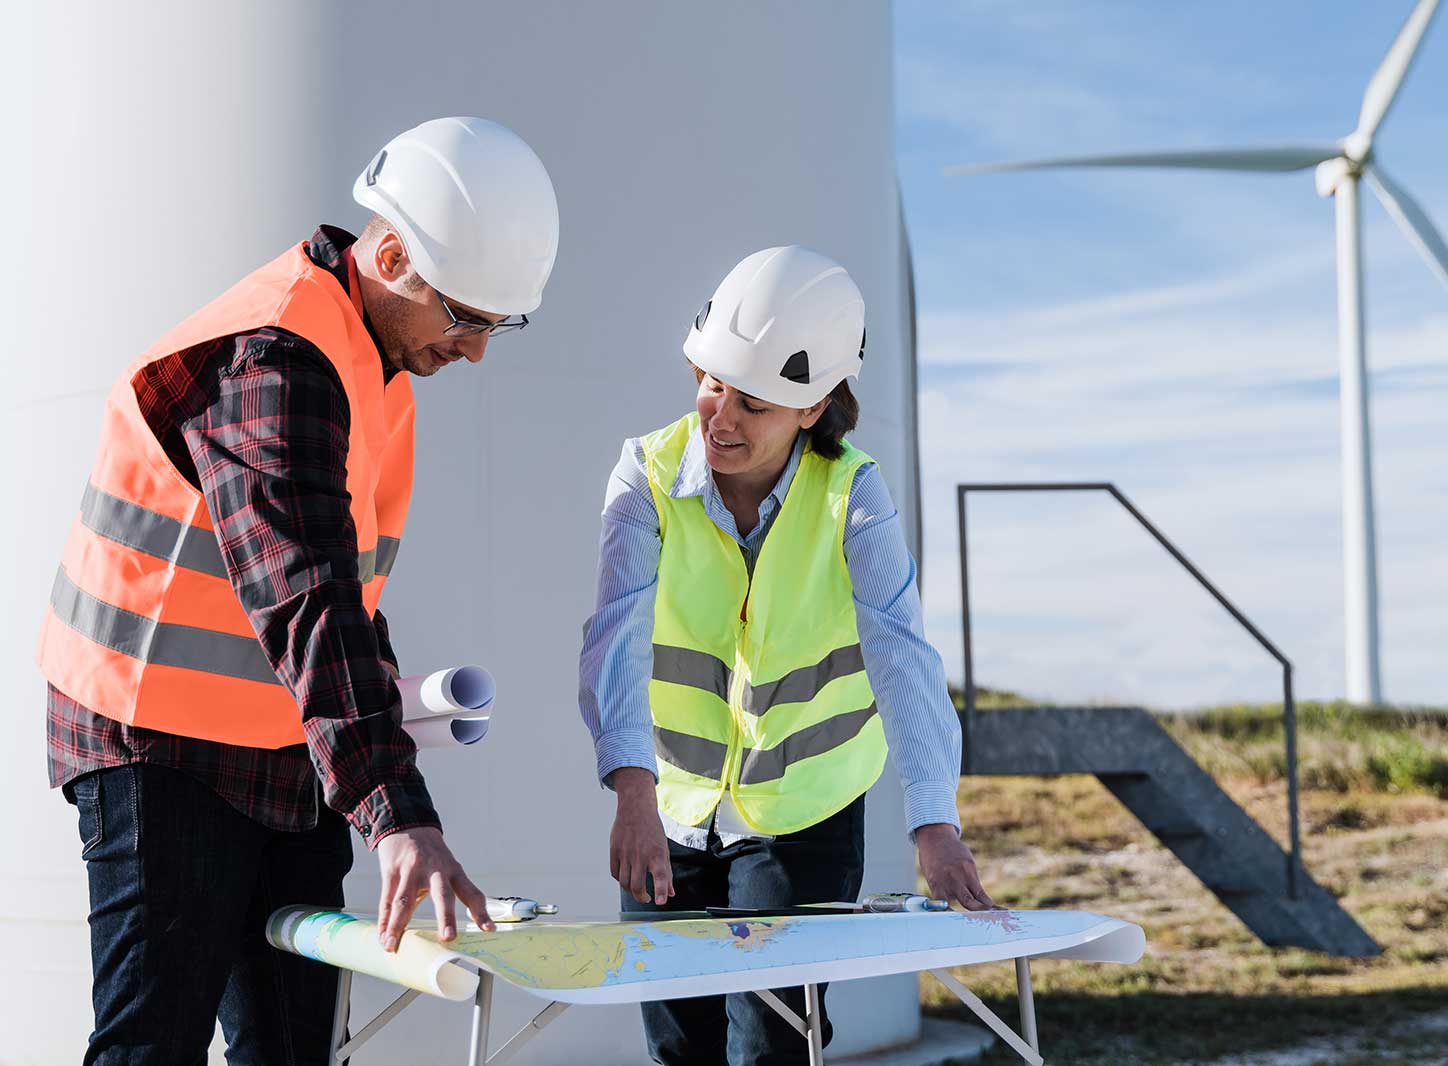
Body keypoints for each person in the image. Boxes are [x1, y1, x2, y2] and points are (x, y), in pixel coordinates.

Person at [38, 116, 559, 1064]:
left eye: (498, 324)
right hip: (155, 742)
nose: (479, 351)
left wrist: (383, 744)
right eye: (469, 318)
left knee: (291, 1046)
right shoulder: (275, 359)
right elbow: (305, 592)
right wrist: (395, 811)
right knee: (152, 1046)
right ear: (392, 254)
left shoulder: (373, 367)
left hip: (279, 748)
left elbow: (346, 594)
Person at [578, 245, 995, 1065]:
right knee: (675, 1046)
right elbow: (614, 635)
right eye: (711, 384)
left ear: (810, 409)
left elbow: (902, 656)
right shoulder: (646, 476)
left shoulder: (854, 495)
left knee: (771, 1045)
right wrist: (631, 788)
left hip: (804, 813)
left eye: (754, 403)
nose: (720, 418)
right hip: (670, 804)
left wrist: (934, 824)